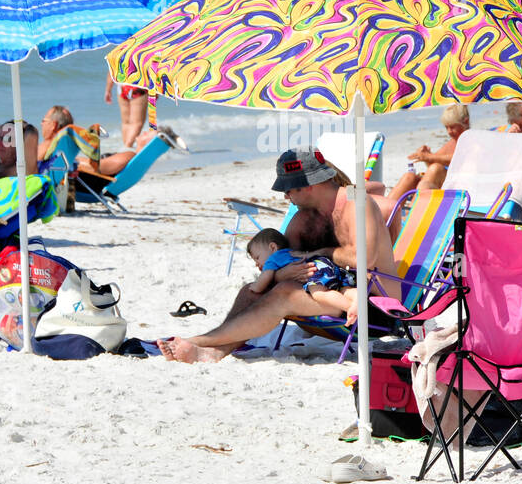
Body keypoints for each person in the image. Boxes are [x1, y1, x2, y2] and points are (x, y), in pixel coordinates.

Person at [158, 148, 397, 364]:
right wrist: (284, 272)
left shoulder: (356, 201)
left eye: (288, 189)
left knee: (284, 294)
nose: (285, 197)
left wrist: (322, 252)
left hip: (373, 304)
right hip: (330, 296)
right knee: (252, 290)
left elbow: (365, 258)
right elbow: (282, 262)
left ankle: (202, 341)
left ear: (307, 185)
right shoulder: (303, 220)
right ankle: (215, 351)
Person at [245, 228, 354, 316]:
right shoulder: (290, 253)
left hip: (316, 270)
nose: (257, 263)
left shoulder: (272, 259)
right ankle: (358, 301)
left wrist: (255, 286)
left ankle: (350, 308)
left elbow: (264, 280)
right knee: (344, 290)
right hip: (325, 264)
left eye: (257, 257)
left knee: (320, 294)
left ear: (272, 247)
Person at [386, 104, 470, 201]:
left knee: (436, 169)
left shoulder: (471, 140)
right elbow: (432, 164)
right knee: (409, 177)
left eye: (452, 127)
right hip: (442, 185)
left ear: (466, 122)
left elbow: (458, 159)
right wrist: (426, 155)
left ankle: (414, 210)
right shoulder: (451, 143)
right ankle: (387, 210)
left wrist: (429, 157)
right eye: (446, 127)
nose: (449, 132)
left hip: (460, 187)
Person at [105, 71, 148, 148]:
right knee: (137, 123)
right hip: (137, 86)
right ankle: (128, 146)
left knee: (126, 122)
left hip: (122, 87)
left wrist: (108, 90)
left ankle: (125, 147)